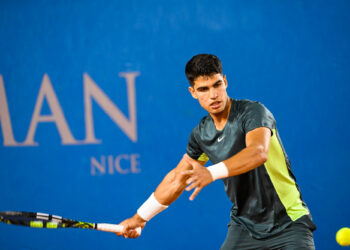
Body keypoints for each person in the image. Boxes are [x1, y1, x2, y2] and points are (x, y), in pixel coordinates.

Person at [116, 54, 316, 249]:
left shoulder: (253, 112)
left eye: (217, 85)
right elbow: (178, 177)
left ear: (225, 81)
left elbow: (258, 152)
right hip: (244, 227)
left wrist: (210, 172)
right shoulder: (201, 134)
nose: (213, 95)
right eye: (203, 89)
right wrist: (139, 218)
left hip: (289, 223)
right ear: (192, 92)